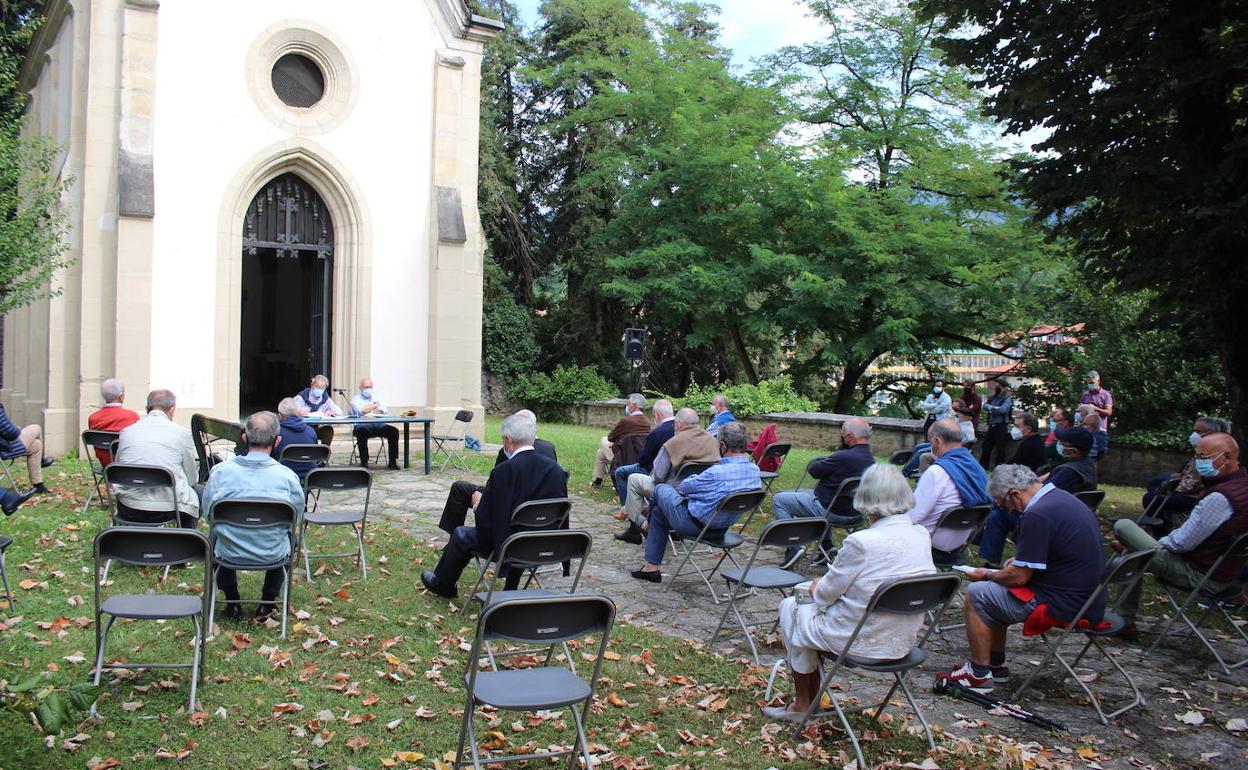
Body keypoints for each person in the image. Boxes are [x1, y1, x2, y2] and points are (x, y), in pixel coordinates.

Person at [764, 463, 935, 722]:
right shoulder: (921, 535)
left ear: (864, 496)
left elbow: (824, 595)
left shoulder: (862, 542)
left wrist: (816, 586)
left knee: (792, 606)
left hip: (861, 641)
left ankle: (803, 703)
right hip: (902, 641)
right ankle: (811, 700)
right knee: (806, 613)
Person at [938, 464, 1106, 693]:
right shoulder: (1061, 499)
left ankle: (978, 674)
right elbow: (1047, 556)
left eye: (1003, 503)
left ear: (1015, 494)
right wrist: (1017, 562)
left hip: (1062, 603)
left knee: (978, 594)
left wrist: (987, 573)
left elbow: (1018, 578)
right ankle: (995, 665)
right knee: (994, 594)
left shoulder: (1038, 514)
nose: (1006, 509)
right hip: (1088, 597)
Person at [1111, 432, 1248, 642]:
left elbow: (1182, 543)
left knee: (1124, 526)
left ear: (1226, 457)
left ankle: (1124, 621)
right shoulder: (1242, 486)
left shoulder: (1220, 498)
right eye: (1197, 457)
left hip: (1200, 574)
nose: (1199, 462)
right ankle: (1124, 619)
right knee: (1135, 554)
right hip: (1226, 572)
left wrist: (1155, 545)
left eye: (1204, 457)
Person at [422, 412, 568, 599]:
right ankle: (511, 587)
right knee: (521, 529)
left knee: (461, 534)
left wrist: (477, 504)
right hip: (544, 544)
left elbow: (488, 524)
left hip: (510, 546)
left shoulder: (504, 471)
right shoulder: (556, 470)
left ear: (508, 440)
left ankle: (443, 585)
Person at [202, 412, 305, 619]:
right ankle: (268, 602)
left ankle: (232, 600)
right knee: (290, 537)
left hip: (228, 551)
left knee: (214, 535)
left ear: (244, 438)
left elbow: (208, 516)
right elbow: (296, 519)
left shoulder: (220, 473)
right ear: (277, 441)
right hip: (273, 552)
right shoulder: (287, 478)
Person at [629, 421, 761, 583]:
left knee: (661, 489)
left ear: (722, 446)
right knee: (658, 513)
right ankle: (651, 568)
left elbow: (684, 487)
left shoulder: (716, 473)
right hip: (722, 528)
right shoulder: (755, 471)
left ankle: (646, 526)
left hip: (694, 525)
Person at [979, 426, 1098, 569]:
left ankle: (991, 562)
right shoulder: (1086, 465)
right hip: (1063, 520)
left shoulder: (1068, 472)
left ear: (1074, 451)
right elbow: (1041, 481)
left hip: (1044, 519)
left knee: (997, 514)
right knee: (999, 506)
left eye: (1063, 443)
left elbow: (1040, 493)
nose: (1058, 444)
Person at [771, 417, 875, 568]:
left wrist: (818, 460)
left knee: (780, 499)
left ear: (849, 436)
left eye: (843, 433)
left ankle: (793, 547)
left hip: (829, 510)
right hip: (854, 512)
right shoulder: (871, 461)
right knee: (801, 494)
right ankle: (826, 547)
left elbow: (814, 470)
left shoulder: (843, 457)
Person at [439, 409, 558, 536]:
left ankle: (454, 536)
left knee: (461, 493)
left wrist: (479, 504)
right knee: (460, 488)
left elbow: (495, 492)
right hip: (541, 510)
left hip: (508, 506)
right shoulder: (551, 456)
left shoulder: (505, 459)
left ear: (508, 439)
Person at [615, 407, 719, 544]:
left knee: (633, 479)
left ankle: (639, 526)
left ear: (679, 424)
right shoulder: (712, 441)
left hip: (672, 492)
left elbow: (658, 476)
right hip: (701, 492)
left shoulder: (673, 443)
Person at [113, 390, 200, 528]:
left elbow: (118, 470)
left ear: (147, 409)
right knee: (197, 493)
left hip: (129, 506)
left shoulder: (127, 432)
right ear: (172, 409)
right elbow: (191, 479)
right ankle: (186, 542)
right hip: (169, 509)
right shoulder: (182, 434)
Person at [907, 420, 990, 559]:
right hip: (959, 541)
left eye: (930, 442)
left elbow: (914, 516)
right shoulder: (978, 469)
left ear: (937, 441)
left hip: (929, 542)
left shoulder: (937, 472)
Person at [1142, 416, 1230, 531]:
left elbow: (1192, 486)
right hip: (1190, 490)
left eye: (1198, 432)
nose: (1194, 435)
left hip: (1194, 498)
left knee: (1150, 497)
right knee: (1155, 485)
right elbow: (1190, 473)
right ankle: (1163, 520)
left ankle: (1161, 530)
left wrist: (1168, 487)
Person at [612, 400, 676, 505]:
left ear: (657, 415)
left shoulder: (657, 432)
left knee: (621, 472)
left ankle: (627, 509)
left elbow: (643, 459)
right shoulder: (681, 429)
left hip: (655, 472)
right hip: (676, 474)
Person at [592, 393, 650, 488]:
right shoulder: (647, 423)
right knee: (600, 453)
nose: (626, 406)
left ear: (634, 406)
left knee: (604, 440)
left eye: (628, 404)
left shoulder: (626, 421)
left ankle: (598, 481)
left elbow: (611, 437)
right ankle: (598, 480)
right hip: (638, 456)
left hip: (622, 457)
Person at [0, 401, 55, 494]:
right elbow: (11, 433)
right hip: (6, 447)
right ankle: (42, 461)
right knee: (36, 428)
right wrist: (16, 428)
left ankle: (38, 486)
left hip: (3, 445)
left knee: (36, 446)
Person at [87, 378, 140, 465]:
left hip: (106, 465)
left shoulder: (93, 418)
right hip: (127, 464)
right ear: (121, 396)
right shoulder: (132, 416)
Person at [350, 377, 399, 470]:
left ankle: (393, 462)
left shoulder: (377, 397)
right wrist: (375, 405)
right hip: (362, 425)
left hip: (378, 424)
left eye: (370, 387)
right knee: (361, 432)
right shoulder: (355, 399)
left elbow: (384, 409)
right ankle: (364, 462)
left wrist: (375, 409)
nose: (368, 389)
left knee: (393, 431)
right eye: (366, 387)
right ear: (360, 388)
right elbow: (360, 410)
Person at [276, 397, 320, 480]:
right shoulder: (311, 431)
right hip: (309, 477)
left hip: (283, 477)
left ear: (279, 415)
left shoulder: (276, 432)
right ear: (298, 413)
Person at [294, 374, 343, 445]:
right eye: (317, 387)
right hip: (302, 428)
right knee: (308, 432)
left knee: (328, 430)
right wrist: (298, 412)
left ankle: (324, 453)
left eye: (322, 388)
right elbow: (288, 410)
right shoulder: (302, 396)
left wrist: (331, 412)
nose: (319, 390)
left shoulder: (325, 398)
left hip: (315, 428)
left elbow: (340, 412)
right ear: (312, 385)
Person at [979, 380, 1013, 469]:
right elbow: (985, 406)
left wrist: (991, 408)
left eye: (999, 386)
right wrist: (994, 408)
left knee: (1000, 447)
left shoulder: (1007, 398)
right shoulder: (993, 397)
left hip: (1001, 425)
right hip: (992, 425)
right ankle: (983, 466)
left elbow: (1003, 410)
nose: (997, 387)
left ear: (1004, 387)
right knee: (986, 446)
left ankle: (999, 466)